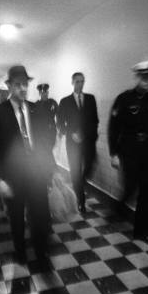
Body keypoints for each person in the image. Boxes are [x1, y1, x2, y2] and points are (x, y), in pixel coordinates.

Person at [0, 65, 54, 265]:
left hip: (37, 174)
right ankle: (20, 252)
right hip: (12, 176)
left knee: (40, 215)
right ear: (9, 86)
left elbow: (43, 143)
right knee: (16, 218)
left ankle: (41, 252)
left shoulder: (36, 109)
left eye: (25, 84)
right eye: (18, 85)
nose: (23, 88)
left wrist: (50, 171)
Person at [108, 57, 148, 247]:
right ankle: (118, 209)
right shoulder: (124, 99)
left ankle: (143, 232)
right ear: (137, 77)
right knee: (131, 187)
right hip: (129, 152)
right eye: (144, 77)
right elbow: (113, 127)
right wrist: (113, 153)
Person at [57, 72, 98, 213]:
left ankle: (80, 183)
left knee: (90, 165)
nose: (80, 84)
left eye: (82, 81)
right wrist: (72, 133)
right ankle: (80, 201)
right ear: (72, 82)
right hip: (72, 143)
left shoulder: (91, 99)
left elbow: (95, 120)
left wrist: (87, 135)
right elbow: (60, 123)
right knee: (75, 170)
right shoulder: (65, 101)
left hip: (88, 142)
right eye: (77, 81)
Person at [35, 83, 58, 151]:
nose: (44, 94)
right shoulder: (36, 105)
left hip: (51, 131)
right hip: (41, 133)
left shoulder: (52, 102)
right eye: (42, 93)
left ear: (47, 92)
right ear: (39, 94)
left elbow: (59, 114)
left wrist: (59, 126)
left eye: (45, 92)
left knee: (50, 149)